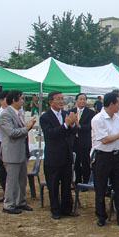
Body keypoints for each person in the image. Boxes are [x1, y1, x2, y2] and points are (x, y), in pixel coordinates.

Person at [91, 92, 119, 228]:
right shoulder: (98, 119)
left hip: (117, 156)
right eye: (118, 103)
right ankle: (101, 216)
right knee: (100, 187)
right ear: (111, 104)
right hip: (103, 156)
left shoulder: (116, 118)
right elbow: (104, 139)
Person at [40, 91, 79, 219]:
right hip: (53, 156)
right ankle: (55, 210)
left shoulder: (65, 114)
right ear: (51, 102)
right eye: (58, 99)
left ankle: (66, 208)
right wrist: (66, 124)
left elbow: (72, 132)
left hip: (66, 155)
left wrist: (72, 123)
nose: (61, 101)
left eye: (62, 99)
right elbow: (51, 134)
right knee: (53, 184)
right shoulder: (45, 117)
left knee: (67, 183)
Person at [0, 90, 37, 214]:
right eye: (21, 98)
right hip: (12, 153)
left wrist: (29, 126)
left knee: (21, 180)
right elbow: (12, 133)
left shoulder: (17, 113)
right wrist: (26, 127)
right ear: (14, 100)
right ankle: (9, 205)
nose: (22, 101)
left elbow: (20, 131)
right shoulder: (6, 114)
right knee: (12, 181)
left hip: (21, 153)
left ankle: (20, 201)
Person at [71, 93, 95, 185]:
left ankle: (86, 180)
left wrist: (80, 126)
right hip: (74, 141)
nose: (82, 101)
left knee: (85, 161)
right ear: (76, 100)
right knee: (76, 162)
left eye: (84, 99)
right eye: (80, 99)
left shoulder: (90, 113)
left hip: (85, 140)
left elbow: (90, 126)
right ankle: (77, 180)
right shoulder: (71, 112)